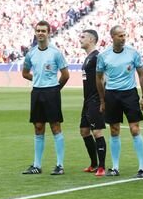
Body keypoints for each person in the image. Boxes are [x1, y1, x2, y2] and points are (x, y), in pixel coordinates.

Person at [96, 25, 143, 178]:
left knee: (134, 129)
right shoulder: (104, 56)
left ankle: (142, 168)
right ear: (112, 37)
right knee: (114, 130)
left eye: (124, 35)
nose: (123, 38)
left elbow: (141, 75)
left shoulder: (133, 53)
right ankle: (115, 167)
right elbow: (98, 78)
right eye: (120, 35)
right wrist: (102, 100)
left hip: (130, 94)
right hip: (112, 95)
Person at [22, 20, 70, 175]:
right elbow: (24, 73)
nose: (40, 33)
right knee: (38, 127)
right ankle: (37, 165)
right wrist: (37, 79)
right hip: (37, 92)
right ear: (35, 33)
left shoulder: (55, 53)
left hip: (51, 92)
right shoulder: (31, 54)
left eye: (43, 31)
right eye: (38, 31)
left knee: (55, 126)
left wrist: (56, 89)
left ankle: (60, 165)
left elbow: (65, 75)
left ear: (49, 33)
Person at [79, 29, 107, 177]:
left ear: (91, 40)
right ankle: (93, 164)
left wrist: (103, 100)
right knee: (84, 131)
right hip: (87, 100)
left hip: (96, 100)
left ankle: (102, 167)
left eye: (83, 37)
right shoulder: (88, 58)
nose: (80, 39)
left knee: (97, 132)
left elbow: (104, 78)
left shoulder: (97, 57)